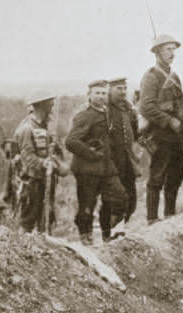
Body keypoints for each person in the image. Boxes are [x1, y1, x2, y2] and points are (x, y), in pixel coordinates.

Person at [140, 34, 183, 223]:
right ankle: (152, 218)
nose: (172, 53)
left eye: (173, 49)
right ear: (157, 52)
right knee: (157, 176)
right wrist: (169, 121)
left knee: (178, 172)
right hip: (160, 134)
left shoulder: (174, 75)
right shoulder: (151, 77)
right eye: (167, 49)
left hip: (176, 135)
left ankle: (170, 213)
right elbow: (146, 107)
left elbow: (181, 100)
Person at [65, 80, 127, 244]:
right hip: (87, 169)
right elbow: (71, 141)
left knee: (120, 197)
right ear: (89, 95)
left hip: (106, 168)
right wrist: (91, 153)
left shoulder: (106, 113)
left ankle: (109, 232)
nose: (101, 96)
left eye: (103, 93)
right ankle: (86, 237)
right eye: (97, 93)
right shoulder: (84, 115)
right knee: (87, 206)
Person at [13, 93, 67, 233]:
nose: (52, 107)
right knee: (28, 219)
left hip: (46, 180)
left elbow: (55, 151)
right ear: (41, 105)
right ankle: (23, 248)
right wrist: (44, 163)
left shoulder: (47, 127)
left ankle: (44, 247)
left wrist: (55, 158)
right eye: (50, 103)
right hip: (32, 181)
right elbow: (28, 157)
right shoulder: (26, 128)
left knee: (47, 216)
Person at [106, 77, 139, 225]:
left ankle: (121, 229)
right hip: (111, 161)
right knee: (114, 200)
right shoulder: (105, 110)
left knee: (131, 200)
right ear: (110, 90)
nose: (123, 92)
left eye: (124, 88)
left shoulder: (128, 108)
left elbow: (135, 132)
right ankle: (110, 233)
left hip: (128, 160)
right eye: (118, 88)